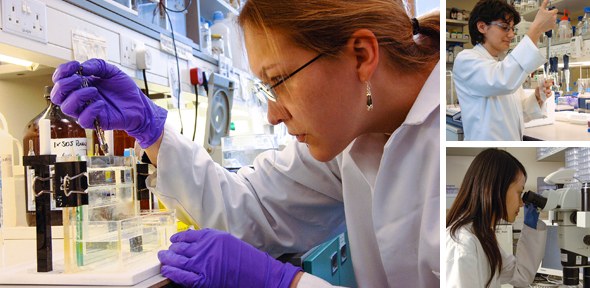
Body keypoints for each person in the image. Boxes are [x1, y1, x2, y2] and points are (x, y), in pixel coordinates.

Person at [50, 0, 440, 287]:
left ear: (361, 55)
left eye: (279, 80)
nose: (273, 113)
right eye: (265, 87)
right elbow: (250, 206)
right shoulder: (351, 136)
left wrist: (287, 283)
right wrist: (152, 131)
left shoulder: (454, 139)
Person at [452, 0, 557, 141]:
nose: (511, 35)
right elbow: (503, 81)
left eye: (513, 29)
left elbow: (519, 113)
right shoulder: (466, 60)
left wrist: (537, 98)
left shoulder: (502, 64)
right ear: (482, 27)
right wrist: (536, 28)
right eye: (505, 27)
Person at [446, 148, 547, 287]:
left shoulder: (483, 237)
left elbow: (520, 275)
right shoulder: (463, 244)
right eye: (519, 192)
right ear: (497, 188)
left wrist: (531, 226)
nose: (522, 203)